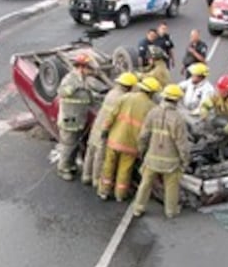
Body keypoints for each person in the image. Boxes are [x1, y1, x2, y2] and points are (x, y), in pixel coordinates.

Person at [98, 77, 161, 202]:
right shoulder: (152, 107)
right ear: (152, 93)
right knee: (124, 170)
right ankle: (120, 195)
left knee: (108, 165)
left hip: (115, 139)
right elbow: (149, 131)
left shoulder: (125, 97)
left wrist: (105, 130)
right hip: (132, 145)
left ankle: (104, 191)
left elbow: (111, 115)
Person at [134, 84, 191, 219]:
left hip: (152, 158)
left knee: (145, 184)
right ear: (177, 100)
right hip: (170, 163)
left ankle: (138, 208)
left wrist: (141, 151)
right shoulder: (178, 119)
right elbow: (182, 144)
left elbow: (143, 136)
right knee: (172, 187)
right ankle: (170, 211)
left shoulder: (153, 113)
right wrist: (185, 161)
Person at [82, 71, 137, 187]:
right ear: (129, 86)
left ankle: (86, 175)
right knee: (100, 155)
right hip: (105, 128)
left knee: (91, 150)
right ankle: (96, 180)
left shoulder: (112, 93)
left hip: (97, 124)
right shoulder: (122, 98)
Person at [56, 53, 95, 181]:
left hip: (78, 118)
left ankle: (70, 165)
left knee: (75, 145)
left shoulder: (82, 79)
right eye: (88, 67)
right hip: (69, 119)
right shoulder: (70, 79)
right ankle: (63, 169)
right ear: (81, 67)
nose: (90, 70)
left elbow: (86, 96)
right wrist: (74, 87)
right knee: (68, 145)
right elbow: (62, 92)